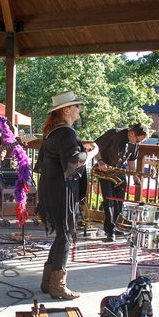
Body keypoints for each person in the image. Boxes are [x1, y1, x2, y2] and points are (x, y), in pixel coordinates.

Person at [36, 91, 98, 299]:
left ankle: (48, 282)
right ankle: (57, 287)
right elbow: (72, 163)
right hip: (61, 192)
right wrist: (92, 153)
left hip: (50, 191)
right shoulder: (66, 133)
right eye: (76, 106)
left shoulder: (54, 132)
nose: (79, 109)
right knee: (67, 234)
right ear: (66, 110)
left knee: (63, 234)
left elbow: (61, 156)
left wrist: (82, 149)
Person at [94, 123, 149, 242]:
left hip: (119, 170)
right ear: (132, 133)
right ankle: (110, 230)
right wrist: (100, 162)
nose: (137, 143)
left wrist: (134, 176)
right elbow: (95, 147)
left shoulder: (134, 143)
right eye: (138, 140)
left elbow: (131, 160)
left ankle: (118, 226)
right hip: (105, 170)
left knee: (120, 200)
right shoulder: (114, 134)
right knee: (109, 201)